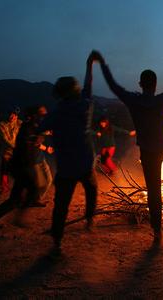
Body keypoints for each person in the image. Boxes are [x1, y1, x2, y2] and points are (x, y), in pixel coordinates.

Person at [96, 50, 163, 243]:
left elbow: (114, 87)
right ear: (155, 84)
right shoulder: (161, 100)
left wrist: (103, 65)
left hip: (149, 153)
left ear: (140, 84)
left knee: (154, 191)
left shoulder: (134, 100)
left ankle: (157, 230)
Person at [37, 51, 100, 255]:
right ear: (75, 91)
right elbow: (89, 86)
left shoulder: (55, 114)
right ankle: (90, 218)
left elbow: (39, 129)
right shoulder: (85, 105)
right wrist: (90, 64)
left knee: (61, 206)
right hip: (85, 164)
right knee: (92, 191)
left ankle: (57, 242)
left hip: (66, 168)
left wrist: (40, 127)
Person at [0, 106, 53, 228]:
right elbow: (28, 141)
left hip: (22, 165)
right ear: (34, 116)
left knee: (15, 199)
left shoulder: (31, 126)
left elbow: (43, 132)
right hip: (21, 166)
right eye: (41, 114)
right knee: (34, 189)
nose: (44, 116)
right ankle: (18, 218)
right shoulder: (28, 128)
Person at [0, 110, 22, 194]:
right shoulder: (2, 124)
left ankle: (20, 187)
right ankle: (4, 187)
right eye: (10, 115)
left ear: (16, 116)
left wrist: (47, 132)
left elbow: (33, 128)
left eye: (13, 115)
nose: (11, 117)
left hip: (18, 150)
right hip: (8, 151)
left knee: (21, 169)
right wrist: (17, 147)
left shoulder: (20, 123)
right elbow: (6, 139)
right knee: (5, 169)